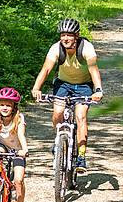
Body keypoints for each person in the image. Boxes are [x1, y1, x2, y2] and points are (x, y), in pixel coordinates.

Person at [31, 18, 103, 171]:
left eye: (69, 35)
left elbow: (93, 70)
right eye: (63, 35)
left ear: (76, 35)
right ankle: (59, 140)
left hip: (84, 85)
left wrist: (98, 90)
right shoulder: (56, 48)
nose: (65, 38)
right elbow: (46, 69)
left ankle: (81, 156)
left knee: (80, 116)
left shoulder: (86, 48)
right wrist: (36, 87)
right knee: (58, 112)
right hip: (63, 84)